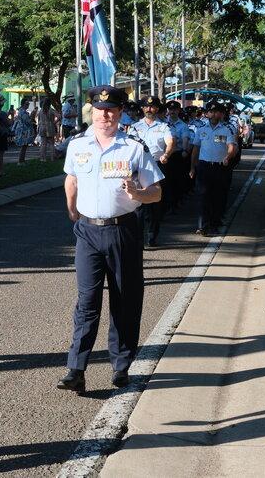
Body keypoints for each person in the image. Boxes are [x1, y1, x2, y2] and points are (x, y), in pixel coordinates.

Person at [58, 86, 163, 394]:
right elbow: (71, 178)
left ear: (120, 113)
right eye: (100, 109)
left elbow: (156, 192)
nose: (105, 115)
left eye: (111, 110)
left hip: (122, 231)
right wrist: (71, 207)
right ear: (93, 111)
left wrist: (138, 193)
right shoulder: (77, 144)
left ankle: (121, 366)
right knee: (87, 302)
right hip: (88, 232)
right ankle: (76, 369)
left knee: (124, 300)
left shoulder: (133, 147)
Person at [131, 95, 174, 246]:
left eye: (153, 107)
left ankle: (152, 236)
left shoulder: (164, 127)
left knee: (155, 204)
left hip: (157, 165)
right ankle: (138, 238)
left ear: (157, 109)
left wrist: (166, 154)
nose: (149, 109)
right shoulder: (135, 127)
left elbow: (170, 143)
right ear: (142, 108)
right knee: (138, 203)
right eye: (146, 107)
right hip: (139, 168)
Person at [188, 102, 237, 237]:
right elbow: (195, 149)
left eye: (216, 112)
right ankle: (202, 226)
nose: (213, 114)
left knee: (218, 197)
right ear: (207, 114)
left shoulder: (228, 129)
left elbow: (232, 146)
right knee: (203, 195)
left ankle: (215, 224)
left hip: (220, 167)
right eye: (211, 112)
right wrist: (192, 167)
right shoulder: (201, 130)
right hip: (204, 166)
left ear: (222, 114)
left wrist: (228, 156)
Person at [13, 96, 37, 165]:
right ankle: (21, 161)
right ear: (23, 104)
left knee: (25, 146)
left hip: (24, 130)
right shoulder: (22, 112)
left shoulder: (22, 111)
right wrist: (32, 118)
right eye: (27, 104)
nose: (28, 105)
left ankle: (22, 160)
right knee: (24, 146)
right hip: (23, 130)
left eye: (28, 104)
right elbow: (27, 121)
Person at [36, 96, 58, 162]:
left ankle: (43, 158)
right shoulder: (51, 110)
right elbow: (59, 116)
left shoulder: (41, 111)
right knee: (51, 143)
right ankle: (52, 158)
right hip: (50, 127)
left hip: (42, 128)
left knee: (43, 144)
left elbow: (38, 120)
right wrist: (54, 122)